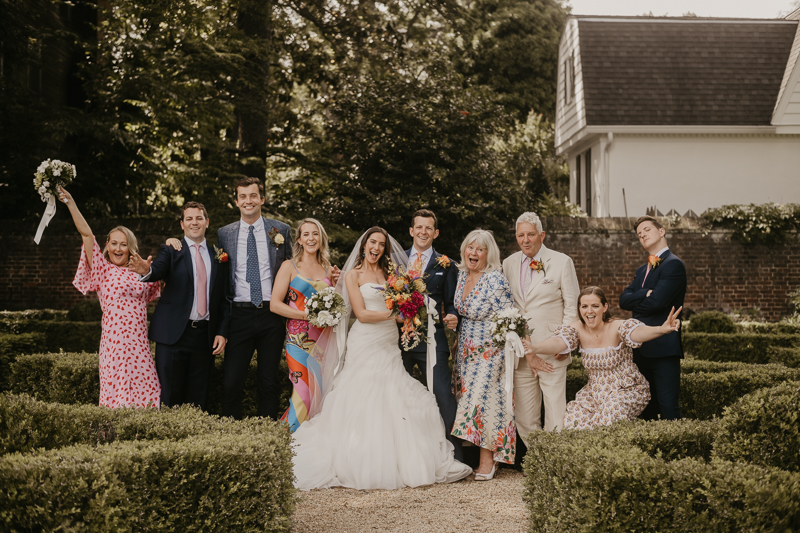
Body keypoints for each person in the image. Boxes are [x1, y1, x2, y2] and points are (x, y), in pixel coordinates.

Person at [291, 227, 472, 490]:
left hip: (388, 341)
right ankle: (360, 458)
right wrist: (397, 316)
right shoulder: (353, 275)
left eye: (381, 244)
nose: (376, 247)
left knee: (396, 393)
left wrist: (409, 309)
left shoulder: (392, 276)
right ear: (364, 245)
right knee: (363, 393)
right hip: (365, 339)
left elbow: (407, 301)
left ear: (384, 249)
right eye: (372, 242)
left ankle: (406, 457)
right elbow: (361, 314)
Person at [58, 186, 161, 408]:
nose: (118, 248)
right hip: (113, 347)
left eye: (123, 244)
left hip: (139, 346)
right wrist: (70, 202)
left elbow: (168, 287)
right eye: (114, 243)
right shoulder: (103, 270)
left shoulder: (143, 271)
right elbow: (86, 233)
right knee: (116, 401)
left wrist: (147, 271)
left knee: (149, 396)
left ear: (131, 248)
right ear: (107, 245)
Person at [525, 287, 680, 429]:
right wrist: (535, 348)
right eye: (584, 306)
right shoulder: (577, 328)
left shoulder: (616, 326)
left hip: (627, 390)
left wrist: (661, 329)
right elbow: (559, 342)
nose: (589, 311)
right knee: (573, 420)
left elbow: (637, 333)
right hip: (594, 393)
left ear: (605, 307)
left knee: (608, 415)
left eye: (595, 306)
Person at [127, 201, 230, 411]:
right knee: (170, 395)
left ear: (207, 222)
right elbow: (157, 270)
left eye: (199, 218)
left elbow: (225, 298)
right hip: (173, 335)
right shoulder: (171, 249)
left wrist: (222, 332)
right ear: (182, 224)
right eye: (189, 219)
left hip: (205, 336)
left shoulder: (219, 255)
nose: (195, 222)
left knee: (199, 397)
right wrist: (146, 270)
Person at [217, 177, 292, 420]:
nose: (248, 201)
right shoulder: (224, 234)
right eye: (243, 197)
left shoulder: (280, 230)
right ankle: (232, 434)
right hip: (239, 314)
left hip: (272, 313)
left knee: (268, 380)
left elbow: (293, 266)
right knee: (231, 382)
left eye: (252, 196)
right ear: (236, 201)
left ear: (261, 198)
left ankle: (266, 432)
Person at [502, 212, 580, 440]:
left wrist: (563, 343)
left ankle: (556, 462)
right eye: (521, 235)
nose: (525, 240)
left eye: (531, 235)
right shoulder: (508, 263)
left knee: (556, 412)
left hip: (551, 351)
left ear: (542, 235)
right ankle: (539, 460)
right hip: (521, 352)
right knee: (525, 417)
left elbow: (571, 307)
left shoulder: (562, 261)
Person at [452, 229, 516, 481]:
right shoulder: (461, 275)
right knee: (469, 400)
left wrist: (507, 353)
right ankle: (480, 456)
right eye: (470, 247)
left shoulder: (494, 279)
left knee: (482, 402)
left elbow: (509, 317)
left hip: (490, 351)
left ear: (489, 254)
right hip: (465, 351)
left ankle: (488, 460)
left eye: (480, 249)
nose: (473, 253)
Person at [399, 209, 462, 460]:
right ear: (411, 230)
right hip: (398, 339)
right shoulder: (395, 259)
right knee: (395, 393)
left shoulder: (446, 264)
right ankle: (402, 454)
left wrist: (454, 315)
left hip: (432, 340)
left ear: (435, 233)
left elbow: (451, 301)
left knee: (443, 395)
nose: (423, 232)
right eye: (419, 227)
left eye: (429, 228)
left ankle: (456, 456)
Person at [270, 218, 340, 431]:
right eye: (306, 234)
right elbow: (274, 304)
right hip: (298, 342)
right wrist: (305, 316)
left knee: (322, 399)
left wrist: (335, 285)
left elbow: (336, 304)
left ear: (321, 238)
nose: (311, 238)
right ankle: (283, 442)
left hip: (325, 343)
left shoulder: (328, 268)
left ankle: (308, 449)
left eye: (315, 234)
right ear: (299, 239)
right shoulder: (289, 266)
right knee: (305, 397)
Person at [619, 216, 687, 420]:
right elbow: (623, 300)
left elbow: (656, 303)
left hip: (664, 349)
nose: (642, 235)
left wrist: (642, 297)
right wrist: (645, 292)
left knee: (668, 408)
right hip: (640, 349)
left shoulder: (674, 265)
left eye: (647, 230)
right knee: (643, 409)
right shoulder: (642, 270)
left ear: (662, 231)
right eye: (639, 234)